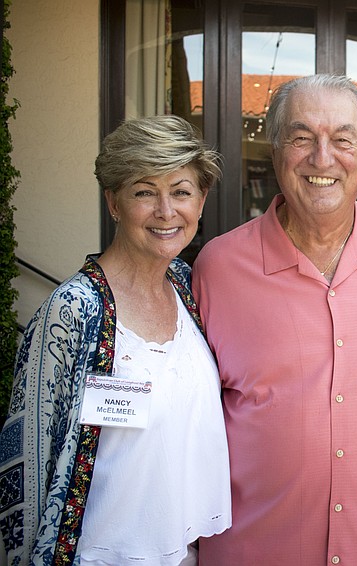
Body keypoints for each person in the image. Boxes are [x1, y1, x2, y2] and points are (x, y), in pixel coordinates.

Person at [191, 74, 357, 565]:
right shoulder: (218, 268)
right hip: (254, 550)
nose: (322, 158)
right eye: (301, 137)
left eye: (342, 140)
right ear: (275, 150)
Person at [0, 115, 232, 565]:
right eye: (144, 192)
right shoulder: (72, 310)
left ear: (201, 201)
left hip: (186, 552)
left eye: (181, 192)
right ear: (113, 202)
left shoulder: (188, 287)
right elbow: (23, 462)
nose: (166, 211)